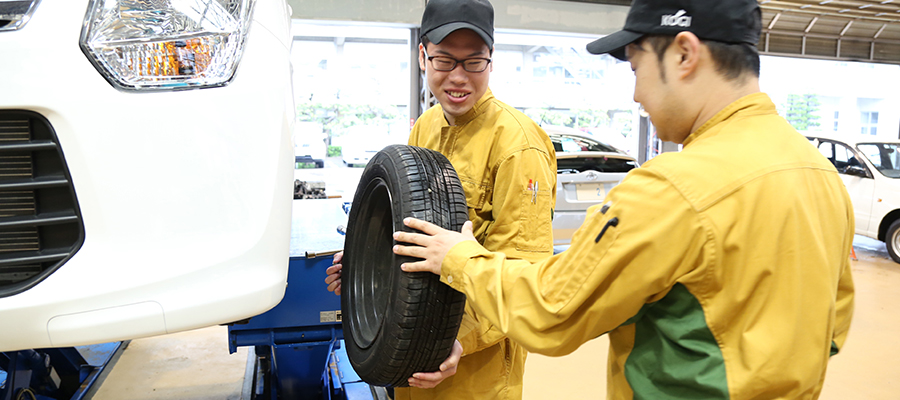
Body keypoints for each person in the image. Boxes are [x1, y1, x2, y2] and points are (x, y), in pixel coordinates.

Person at [391, 0, 856, 398]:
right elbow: (833, 328)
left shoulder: (670, 189)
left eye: (636, 68)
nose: (636, 95)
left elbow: (551, 310)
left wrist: (460, 259)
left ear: (684, 53)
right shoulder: (819, 174)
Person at [325, 0, 558, 398]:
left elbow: (525, 277)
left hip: (473, 370)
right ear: (422, 55)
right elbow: (410, 231)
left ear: (491, 59)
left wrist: (455, 339)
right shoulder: (426, 128)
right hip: (412, 356)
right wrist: (370, 265)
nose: (458, 78)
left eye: (474, 63)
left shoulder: (518, 145)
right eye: (445, 60)